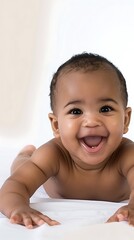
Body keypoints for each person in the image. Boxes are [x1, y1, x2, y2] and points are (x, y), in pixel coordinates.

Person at [0, 52, 134, 229]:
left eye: (105, 108)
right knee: (21, 167)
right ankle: (25, 153)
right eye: (76, 111)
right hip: (45, 172)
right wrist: (18, 207)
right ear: (56, 125)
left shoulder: (127, 154)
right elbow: (15, 185)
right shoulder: (53, 154)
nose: (92, 121)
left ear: (125, 120)